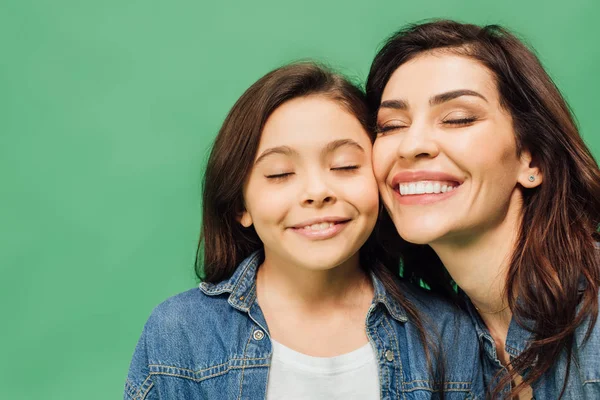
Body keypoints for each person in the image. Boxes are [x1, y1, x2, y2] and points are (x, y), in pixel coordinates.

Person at [124, 62, 484, 399]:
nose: (316, 192)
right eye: (280, 173)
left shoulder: (445, 332)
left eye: (344, 166)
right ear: (240, 205)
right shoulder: (181, 331)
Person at [366, 20, 600, 399]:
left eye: (458, 118)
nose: (412, 145)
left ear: (532, 159)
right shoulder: (433, 342)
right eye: (391, 125)